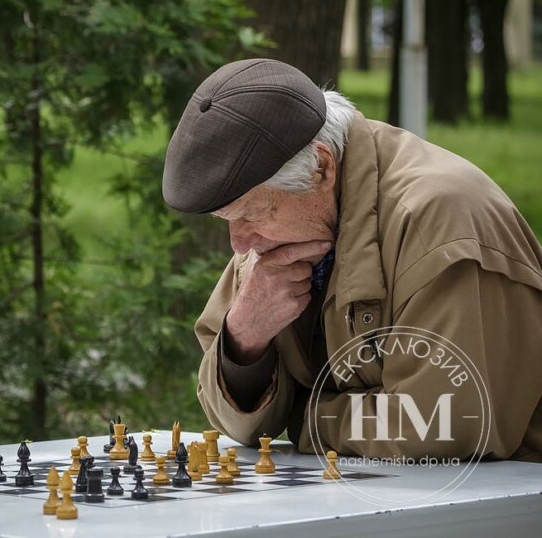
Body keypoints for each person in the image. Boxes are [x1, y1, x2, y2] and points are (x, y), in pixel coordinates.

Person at [162, 58, 542, 462]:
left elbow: (445, 425)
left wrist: (304, 418)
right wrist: (244, 338)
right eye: (228, 221)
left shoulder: (440, 222)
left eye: (251, 214)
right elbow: (241, 425)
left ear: (321, 169)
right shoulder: (279, 225)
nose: (239, 244)